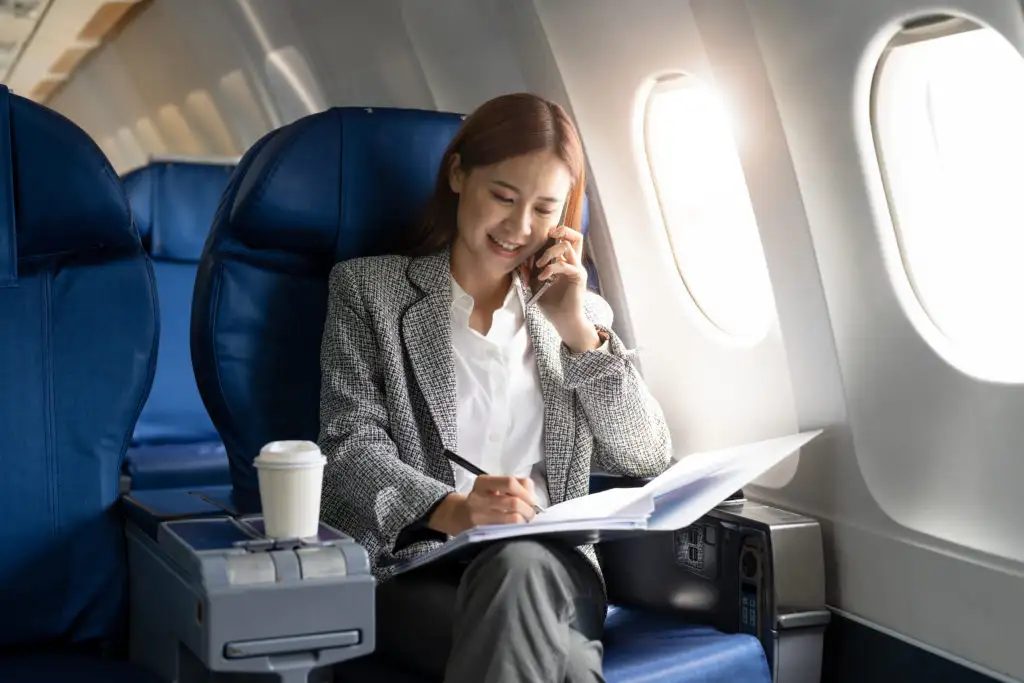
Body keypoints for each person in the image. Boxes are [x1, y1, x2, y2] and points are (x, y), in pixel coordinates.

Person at [319, 92, 672, 682]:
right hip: (420, 569)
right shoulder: (367, 292)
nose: (518, 228)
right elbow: (349, 449)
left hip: (555, 569)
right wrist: (454, 509)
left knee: (522, 568)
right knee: (568, 661)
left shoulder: (580, 317)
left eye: (543, 209)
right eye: (503, 198)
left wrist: (579, 332)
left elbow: (646, 453)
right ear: (459, 174)